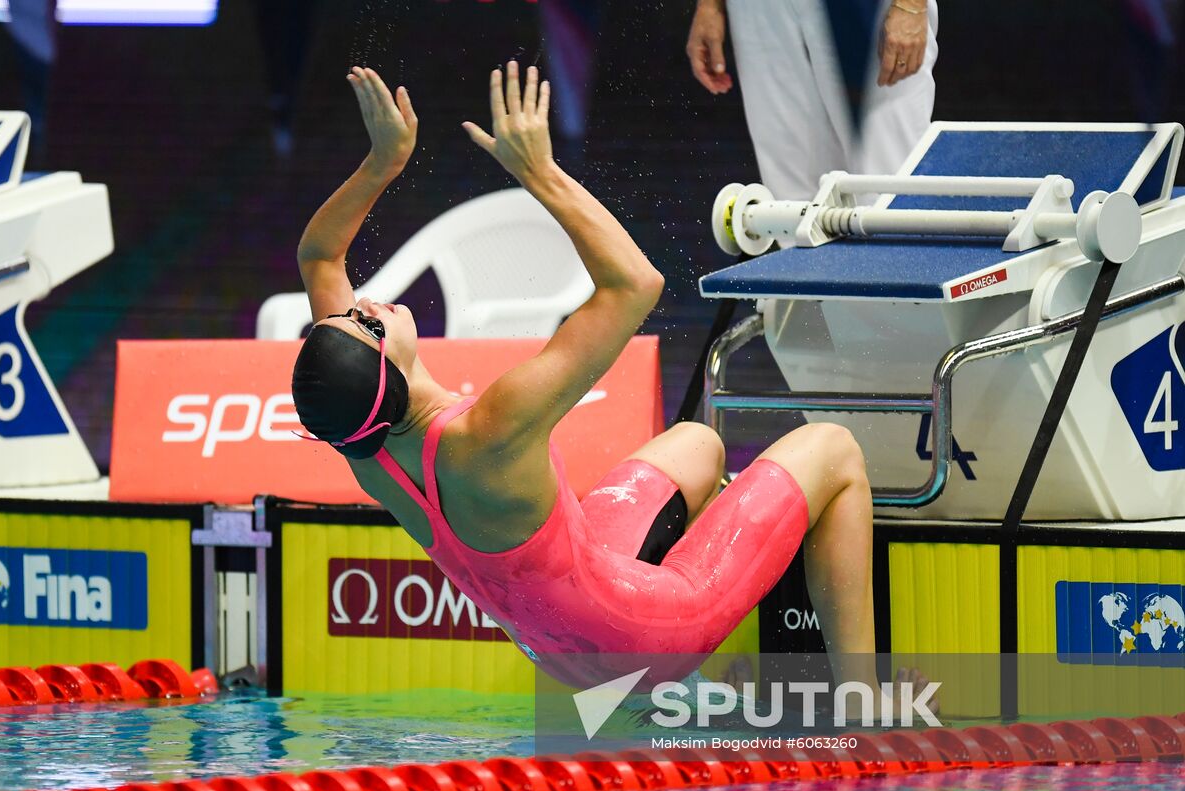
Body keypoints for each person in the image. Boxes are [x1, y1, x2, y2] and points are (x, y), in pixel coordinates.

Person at [291, 61, 924, 703]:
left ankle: (720, 670)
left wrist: (383, 162)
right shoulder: (492, 428)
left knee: (695, 444)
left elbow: (319, 257)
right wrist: (538, 171)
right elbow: (634, 284)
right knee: (832, 447)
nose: (366, 307)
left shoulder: (363, 441)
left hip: (566, 650)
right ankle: (861, 709)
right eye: (365, 327)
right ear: (388, 375)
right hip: (646, 639)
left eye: (349, 314)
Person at [687, 0, 938, 201]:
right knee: (793, 202)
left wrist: (912, 3)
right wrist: (710, 5)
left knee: (889, 190)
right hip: (760, 10)